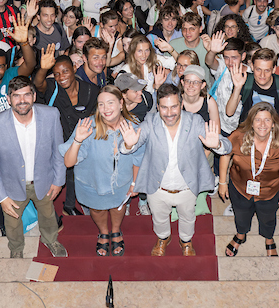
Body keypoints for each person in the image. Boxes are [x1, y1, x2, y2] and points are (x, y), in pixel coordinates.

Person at [119, 83, 231, 256]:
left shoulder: (195, 121)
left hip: (186, 187)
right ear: (158, 107)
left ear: (181, 104)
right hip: (157, 187)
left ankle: (185, 240)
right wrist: (129, 144)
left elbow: (227, 146)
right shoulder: (150, 122)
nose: (169, 113)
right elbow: (128, 145)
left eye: (174, 106)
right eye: (164, 107)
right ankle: (163, 237)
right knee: (159, 218)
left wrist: (216, 145)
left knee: (188, 217)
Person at [0, 76, 69, 259]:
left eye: (27, 95)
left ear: (34, 96)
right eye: (16, 96)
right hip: (11, 185)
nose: (22, 100)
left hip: (44, 181)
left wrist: (58, 181)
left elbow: (58, 150)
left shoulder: (51, 115)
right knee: (12, 223)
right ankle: (16, 247)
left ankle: (50, 239)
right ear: (8, 99)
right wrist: (1, 197)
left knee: (48, 215)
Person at [61, 86, 145, 256]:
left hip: (122, 182)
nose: (106, 108)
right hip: (93, 183)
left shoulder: (133, 125)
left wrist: (134, 183)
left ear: (121, 103)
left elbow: (138, 158)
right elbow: (68, 163)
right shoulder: (87, 126)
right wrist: (77, 140)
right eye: (101, 104)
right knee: (97, 209)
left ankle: (116, 230)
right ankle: (103, 232)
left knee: (118, 206)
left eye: (110, 103)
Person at [218, 103, 279, 257]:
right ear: (251, 122)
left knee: (268, 216)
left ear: (273, 123)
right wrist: (222, 182)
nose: (262, 124)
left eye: (267, 120)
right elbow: (225, 155)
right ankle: (240, 234)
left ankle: (269, 238)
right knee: (241, 213)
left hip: (270, 189)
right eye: (258, 120)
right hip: (240, 186)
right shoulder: (239, 135)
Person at [32, 47, 100, 215]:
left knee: (79, 172)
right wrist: (43, 68)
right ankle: (62, 206)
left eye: (65, 71)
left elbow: (96, 116)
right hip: (57, 139)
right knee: (64, 172)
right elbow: (37, 84)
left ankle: (77, 203)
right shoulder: (52, 88)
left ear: (74, 69)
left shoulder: (91, 90)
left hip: (82, 140)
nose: (61, 77)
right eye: (56, 74)